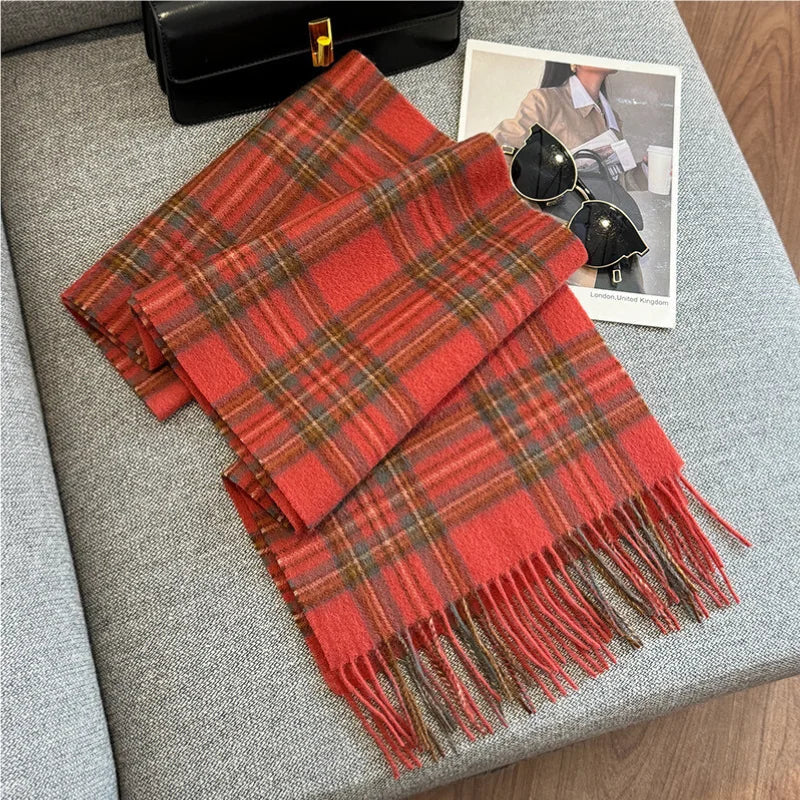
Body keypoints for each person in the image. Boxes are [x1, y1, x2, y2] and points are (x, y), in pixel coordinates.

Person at [494, 63, 647, 292]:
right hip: (567, 235)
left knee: (629, 296)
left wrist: (645, 170)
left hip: (613, 236)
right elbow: (500, 153)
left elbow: (615, 183)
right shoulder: (546, 101)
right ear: (574, 63)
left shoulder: (612, 117)